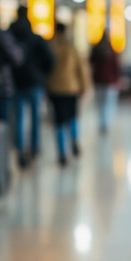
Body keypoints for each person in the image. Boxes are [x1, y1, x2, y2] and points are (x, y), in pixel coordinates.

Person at [10, 6, 55, 168]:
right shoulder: (35, 38)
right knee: (35, 117)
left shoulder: (10, 35)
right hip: (35, 83)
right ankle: (35, 148)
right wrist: (42, 74)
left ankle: (20, 149)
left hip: (15, 83)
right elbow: (49, 59)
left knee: (19, 118)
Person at [46, 23, 88, 166]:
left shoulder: (50, 47)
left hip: (55, 89)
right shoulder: (71, 47)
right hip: (71, 88)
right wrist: (83, 86)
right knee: (72, 117)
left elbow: (46, 69)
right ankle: (74, 140)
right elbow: (80, 69)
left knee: (58, 121)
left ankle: (62, 153)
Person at [89, 32, 121, 134]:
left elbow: (91, 63)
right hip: (110, 81)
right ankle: (106, 123)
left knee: (100, 103)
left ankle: (101, 122)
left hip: (98, 80)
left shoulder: (96, 49)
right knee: (108, 103)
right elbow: (116, 67)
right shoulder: (112, 51)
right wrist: (117, 79)